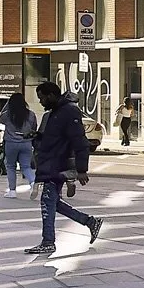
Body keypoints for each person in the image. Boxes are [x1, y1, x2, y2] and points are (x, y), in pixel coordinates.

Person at [26, 82, 101, 255]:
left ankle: (48, 241)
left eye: (42, 98)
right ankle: (90, 222)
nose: (41, 102)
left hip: (58, 166)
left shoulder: (68, 111)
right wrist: (37, 137)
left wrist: (81, 169)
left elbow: (80, 141)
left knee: (47, 201)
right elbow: (54, 138)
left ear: (51, 95)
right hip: (51, 163)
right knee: (53, 203)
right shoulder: (56, 112)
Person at [1, 92, 37, 198]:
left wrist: (7, 105)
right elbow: (34, 127)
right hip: (26, 143)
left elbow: (0, 120)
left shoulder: (7, 114)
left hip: (11, 143)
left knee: (10, 166)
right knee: (26, 166)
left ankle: (12, 191)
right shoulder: (30, 114)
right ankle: (32, 182)